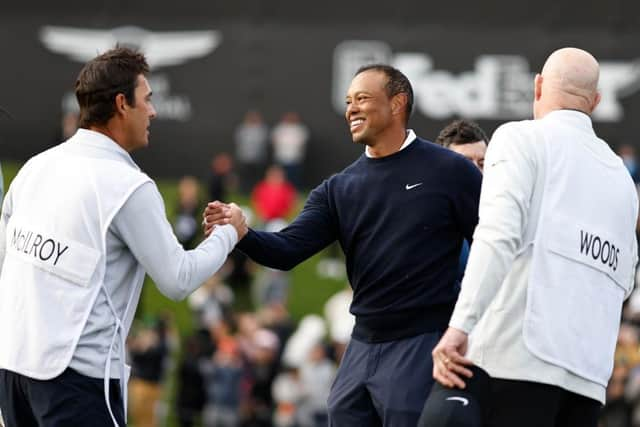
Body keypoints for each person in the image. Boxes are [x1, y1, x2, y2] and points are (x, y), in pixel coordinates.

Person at [205, 64, 482, 426]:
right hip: (360, 347)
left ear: (398, 103)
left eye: (363, 99)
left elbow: (492, 249)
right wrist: (242, 233)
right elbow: (287, 251)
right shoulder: (339, 188)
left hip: (421, 343)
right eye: (349, 101)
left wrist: (465, 325)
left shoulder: (450, 170)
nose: (351, 109)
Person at [0, 47, 247, 427]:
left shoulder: (35, 167)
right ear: (121, 104)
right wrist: (230, 232)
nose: (153, 111)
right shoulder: (128, 185)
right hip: (76, 382)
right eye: (147, 100)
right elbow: (178, 279)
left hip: (12, 370)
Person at [429, 48, 639, 427]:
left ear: (538, 86)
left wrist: (459, 326)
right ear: (595, 101)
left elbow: (496, 236)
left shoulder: (518, 138)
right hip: (588, 377)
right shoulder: (622, 178)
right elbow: (624, 279)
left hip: (514, 359)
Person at [435, 119, 489, 280]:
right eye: (464, 164)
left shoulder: (505, 216)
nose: (475, 172)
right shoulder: (424, 219)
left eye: (481, 163)